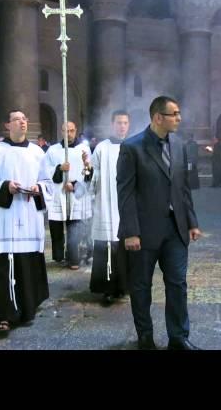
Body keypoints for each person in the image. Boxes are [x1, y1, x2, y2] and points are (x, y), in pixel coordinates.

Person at [117, 95, 202, 350]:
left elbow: (183, 188)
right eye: (174, 114)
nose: (179, 118)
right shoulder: (132, 148)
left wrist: (191, 221)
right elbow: (126, 192)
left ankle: (179, 337)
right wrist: (131, 232)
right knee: (141, 286)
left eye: (178, 113)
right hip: (143, 232)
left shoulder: (179, 144)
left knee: (178, 284)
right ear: (157, 117)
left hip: (175, 230)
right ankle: (145, 336)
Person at [0, 110, 49, 336]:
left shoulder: (38, 152)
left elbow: (47, 182)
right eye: (17, 119)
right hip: (6, 217)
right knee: (5, 264)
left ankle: (28, 308)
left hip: (29, 215)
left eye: (25, 119)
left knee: (28, 261)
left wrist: (39, 188)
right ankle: (5, 314)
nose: (23, 122)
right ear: (8, 125)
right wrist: (6, 186)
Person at [89, 110, 130, 305]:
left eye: (125, 123)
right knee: (107, 247)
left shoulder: (133, 146)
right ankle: (106, 288)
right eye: (119, 122)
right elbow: (92, 176)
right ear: (112, 124)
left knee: (125, 246)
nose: (122, 126)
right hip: (105, 204)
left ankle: (124, 286)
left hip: (126, 205)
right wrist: (88, 173)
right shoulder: (101, 149)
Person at [41, 121, 93, 270]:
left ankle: (73, 258)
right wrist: (59, 168)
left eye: (71, 131)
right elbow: (46, 171)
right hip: (59, 193)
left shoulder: (84, 149)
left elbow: (88, 172)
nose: (68, 134)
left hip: (76, 193)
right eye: (65, 131)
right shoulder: (53, 150)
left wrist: (75, 184)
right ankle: (58, 256)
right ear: (61, 131)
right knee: (57, 227)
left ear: (76, 131)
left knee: (74, 228)